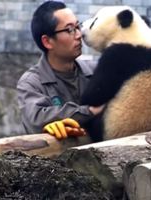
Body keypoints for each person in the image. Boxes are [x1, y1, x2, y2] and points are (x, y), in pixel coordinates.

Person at [17, 1, 103, 140]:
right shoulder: (32, 83)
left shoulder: (96, 71)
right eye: (69, 30)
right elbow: (37, 119)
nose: (79, 35)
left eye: (77, 26)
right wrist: (89, 111)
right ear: (47, 41)